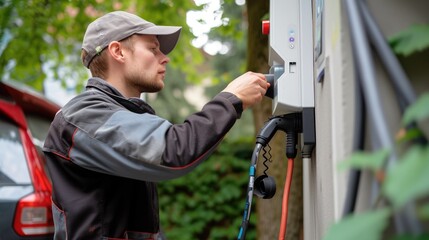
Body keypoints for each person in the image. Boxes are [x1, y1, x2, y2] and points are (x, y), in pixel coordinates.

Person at [43, 11, 269, 239]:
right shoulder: (84, 115)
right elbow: (174, 150)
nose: (165, 57)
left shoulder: (121, 115)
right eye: (153, 49)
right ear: (118, 52)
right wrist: (231, 99)